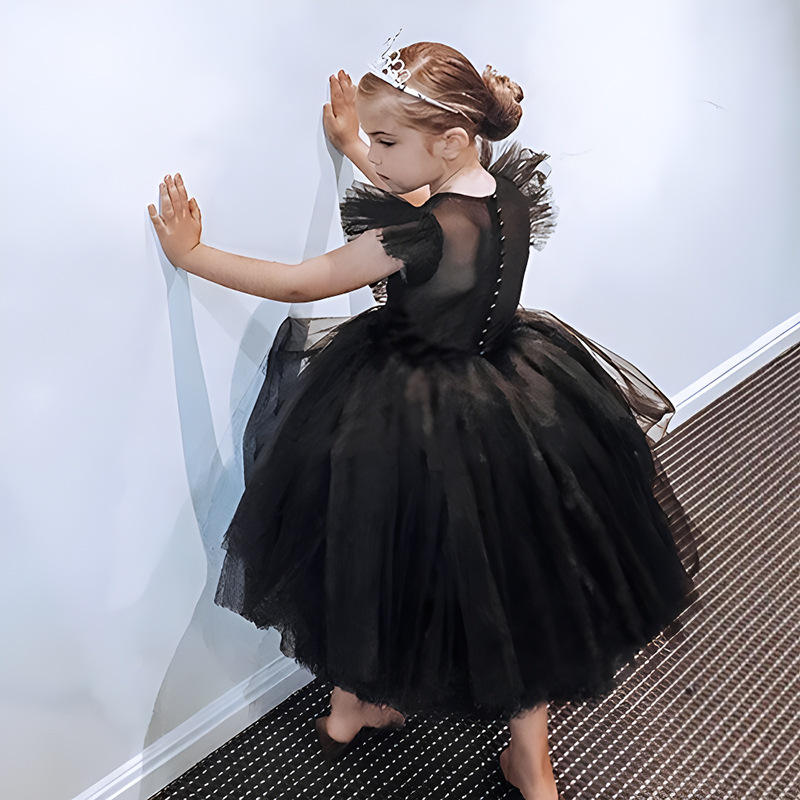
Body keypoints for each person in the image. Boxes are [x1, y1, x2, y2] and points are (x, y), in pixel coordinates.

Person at [147, 33, 703, 800]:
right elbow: (425, 194)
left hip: (407, 414)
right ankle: (529, 761)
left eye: (386, 141)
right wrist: (357, 144)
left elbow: (304, 282)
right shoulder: (500, 193)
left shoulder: (415, 235)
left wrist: (193, 256)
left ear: (448, 140)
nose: (374, 154)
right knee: (526, 582)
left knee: (370, 560)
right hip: (515, 403)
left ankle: (352, 707)